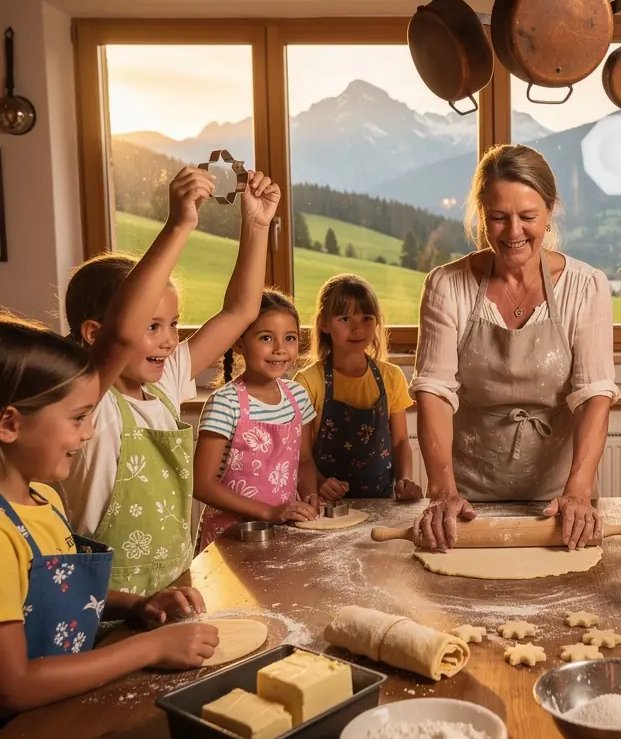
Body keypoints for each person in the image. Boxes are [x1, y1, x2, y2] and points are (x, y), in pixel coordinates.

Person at [63, 165, 280, 595]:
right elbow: (123, 333)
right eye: (152, 325)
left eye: (173, 324)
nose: (169, 341)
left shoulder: (163, 385)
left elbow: (240, 313)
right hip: (108, 606)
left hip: (175, 589)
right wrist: (180, 225)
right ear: (94, 334)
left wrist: (256, 225)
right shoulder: (87, 400)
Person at [0, 315, 219, 715]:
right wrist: (148, 647)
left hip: (62, 712)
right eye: (78, 418)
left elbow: (56, 594)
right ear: (10, 424)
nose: (87, 434)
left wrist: (137, 605)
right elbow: (14, 686)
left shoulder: (43, 498)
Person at [411, 144, 617, 551]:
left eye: (527, 217)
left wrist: (578, 490)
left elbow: (594, 394)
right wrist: (442, 490)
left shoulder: (586, 286)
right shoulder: (447, 285)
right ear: (482, 214)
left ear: (550, 210)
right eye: (499, 218)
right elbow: (433, 391)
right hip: (466, 503)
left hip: (556, 505)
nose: (513, 232)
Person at [193, 289, 319, 550]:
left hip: (281, 532)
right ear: (239, 343)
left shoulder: (298, 395)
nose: (280, 349)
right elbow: (201, 484)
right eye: (266, 337)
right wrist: (268, 512)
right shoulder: (225, 404)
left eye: (290, 338)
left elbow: (304, 460)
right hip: (229, 537)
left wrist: (310, 496)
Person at [295, 274, 421, 503]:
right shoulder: (307, 381)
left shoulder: (391, 377)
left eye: (366, 318)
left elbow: (401, 441)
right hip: (328, 504)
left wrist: (404, 480)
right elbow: (301, 456)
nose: (357, 329)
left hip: (382, 501)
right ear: (324, 323)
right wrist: (320, 482)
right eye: (344, 318)